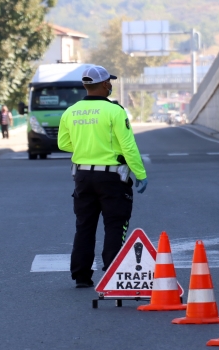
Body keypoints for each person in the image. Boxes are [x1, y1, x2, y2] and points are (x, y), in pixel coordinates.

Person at [58, 65, 148, 288]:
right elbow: (128, 146)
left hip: (82, 176)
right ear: (106, 84)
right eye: (110, 82)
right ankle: (113, 273)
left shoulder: (71, 111)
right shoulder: (115, 112)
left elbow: (63, 144)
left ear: (85, 85)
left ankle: (81, 276)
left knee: (85, 226)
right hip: (112, 179)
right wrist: (140, 173)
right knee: (116, 225)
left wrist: (85, 147)